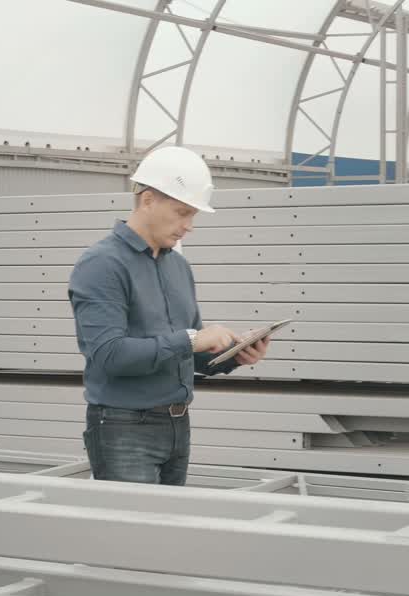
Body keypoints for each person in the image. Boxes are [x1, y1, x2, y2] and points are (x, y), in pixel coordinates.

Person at [68, 146, 270, 485]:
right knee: (133, 535)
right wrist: (192, 338)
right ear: (148, 200)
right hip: (124, 428)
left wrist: (234, 355)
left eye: (193, 215)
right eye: (181, 213)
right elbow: (109, 356)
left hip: (177, 426)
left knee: (167, 534)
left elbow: (185, 357)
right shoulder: (102, 265)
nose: (188, 226)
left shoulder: (178, 266)